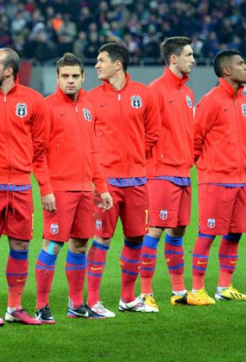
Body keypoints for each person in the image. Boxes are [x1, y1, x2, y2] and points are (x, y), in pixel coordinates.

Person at [0, 47, 49, 326]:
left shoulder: (34, 101)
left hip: (21, 187)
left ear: (8, 71)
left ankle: (14, 308)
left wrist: (26, 166)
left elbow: (40, 144)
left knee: (20, 244)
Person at [33, 53, 113, 323]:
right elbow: (38, 153)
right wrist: (45, 189)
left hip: (84, 190)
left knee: (80, 244)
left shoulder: (89, 107)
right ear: (57, 78)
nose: (70, 81)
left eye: (75, 76)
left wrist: (100, 187)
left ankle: (76, 304)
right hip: (59, 190)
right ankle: (42, 305)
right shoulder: (47, 108)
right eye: (65, 76)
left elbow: (93, 151)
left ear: (83, 78)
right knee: (52, 245)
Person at [86, 43, 160, 316]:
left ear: (118, 64)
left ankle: (128, 298)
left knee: (135, 239)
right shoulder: (90, 98)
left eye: (101, 60)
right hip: (105, 183)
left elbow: (153, 133)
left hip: (138, 182)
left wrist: (133, 157)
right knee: (101, 239)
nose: (96, 65)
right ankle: (93, 300)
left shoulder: (145, 95)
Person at [139, 36, 209, 307]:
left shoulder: (188, 93)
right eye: (189, 55)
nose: (193, 59)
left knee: (178, 232)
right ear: (174, 59)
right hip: (160, 172)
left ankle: (179, 291)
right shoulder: (155, 91)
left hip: (182, 172)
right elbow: (145, 133)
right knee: (154, 230)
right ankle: (145, 292)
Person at [190, 50, 246, 303]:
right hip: (215, 179)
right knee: (208, 233)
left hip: (239, 179)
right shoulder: (211, 100)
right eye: (241, 63)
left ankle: (224, 287)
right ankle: (197, 289)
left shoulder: (244, 102)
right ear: (227, 71)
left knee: (235, 233)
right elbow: (195, 137)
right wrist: (193, 168)